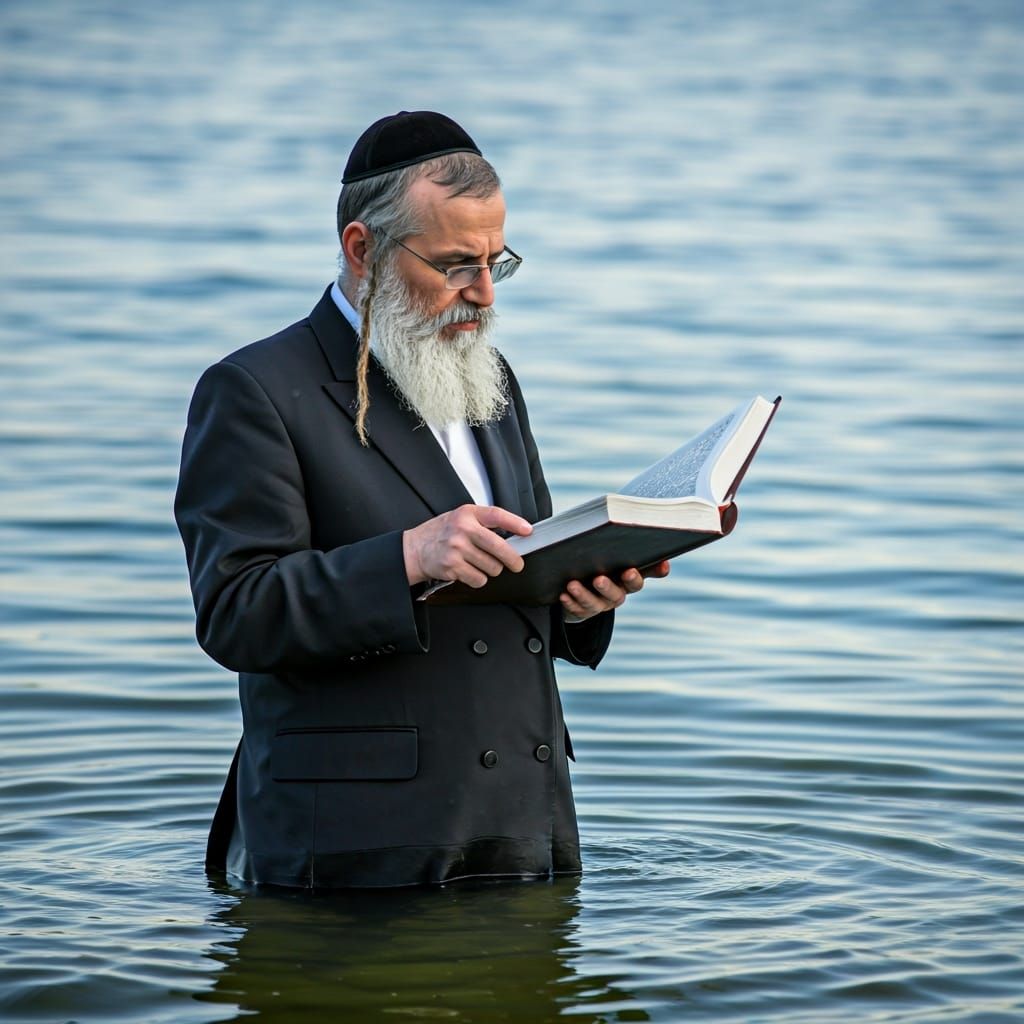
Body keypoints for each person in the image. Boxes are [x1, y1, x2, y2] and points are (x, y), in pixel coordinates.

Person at [175, 110, 668, 889]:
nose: (481, 294)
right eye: (453, 265)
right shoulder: (255, 390)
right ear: (361, 250)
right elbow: (236, 610)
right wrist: (406, 556)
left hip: (521, 822)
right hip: (357, 847)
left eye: (495, 263)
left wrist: (580, 599)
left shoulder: (495, 384)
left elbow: (512, 573)